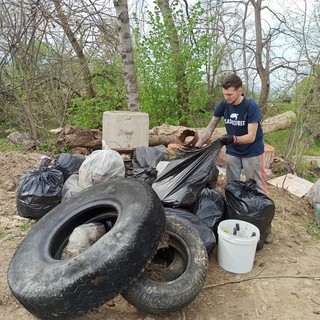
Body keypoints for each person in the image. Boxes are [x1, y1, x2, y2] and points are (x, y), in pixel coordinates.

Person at [195, 74, 273, 243]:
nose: (226, 97)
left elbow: (251, 136)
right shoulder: (223, 104)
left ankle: (265, 228)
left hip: (252, 151)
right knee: (231, 187)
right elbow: (210, 127)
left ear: (240, 91)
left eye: (230, 94)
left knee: (257, 188)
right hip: (233, 152)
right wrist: (197, 147)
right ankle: (233, 221)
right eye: (224, 94)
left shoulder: (250, 106)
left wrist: (232, 139)